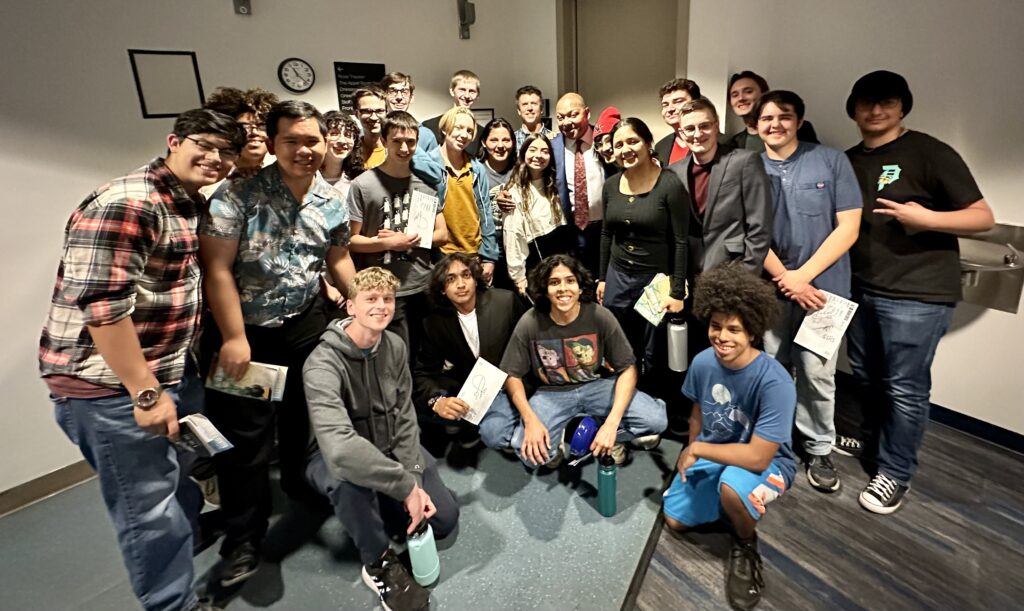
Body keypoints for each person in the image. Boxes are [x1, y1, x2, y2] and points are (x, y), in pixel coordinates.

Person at [39, 108, 245, 611]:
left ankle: (193, 531)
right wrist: (145, 392)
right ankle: (173, 603)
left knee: (177, 475)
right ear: (174, 141)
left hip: (170, 368)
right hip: (111, 388)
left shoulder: (186, 201)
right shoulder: (129, 202)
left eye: (226, 152)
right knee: (147, 510)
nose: (215, 159)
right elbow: (104, 309)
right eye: (205, 145)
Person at [199, 100, 356, 586]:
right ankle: (243, 539)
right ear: (271, 142)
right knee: (245, 442)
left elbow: (339, 258)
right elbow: (217, 270)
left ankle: (299, 486)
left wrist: (362, 302)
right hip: (246, 337)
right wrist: (233, 337)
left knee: (300, 419)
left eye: (312, 140)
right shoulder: (237, 196)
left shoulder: (331, 199)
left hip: (305, 326)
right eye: (292, 140)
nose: (304, 150)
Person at [844, 70, 994, 514]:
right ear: (853, 110)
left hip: (916, 294)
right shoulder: (849, 160)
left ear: (902, 106)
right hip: (861, 288)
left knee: (905, 387)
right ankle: (872, 440)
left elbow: (982, 217)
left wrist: (929, 219)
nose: (875, 111)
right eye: (866, 103)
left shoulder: (929, 152)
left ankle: (895, 471)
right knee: (866, 376)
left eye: (886, 102)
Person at [303, 267, 459, 611]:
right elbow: (340, 449)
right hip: (334, 457)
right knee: (346, 482)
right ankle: (377, 561)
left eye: (387, 299)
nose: (381, 306)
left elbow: (404, 416)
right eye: (370, 299)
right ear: (350, 307)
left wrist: (414, 479)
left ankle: (388, 504)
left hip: (388, 444)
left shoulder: (395, 345)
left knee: (444, 521)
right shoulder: (321, 364)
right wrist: (404, 486)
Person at [662, 264, 796, 611]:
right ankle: (732, 507)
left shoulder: (776, 382)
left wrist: (696, 448)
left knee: (733, 486)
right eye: (716, 326)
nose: (722, 337)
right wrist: (695, 450)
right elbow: (697, 414)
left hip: (770, 463)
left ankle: (745, 543)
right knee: (674, 520)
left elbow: (759, 458)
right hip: (716, 451)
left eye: (734, 329)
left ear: (752, 332)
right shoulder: (704, 362)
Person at [755, 90, 863, 493]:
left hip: (826, 292)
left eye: (784, 116)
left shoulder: (832, 161)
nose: (775, 124)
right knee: (773, 368)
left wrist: (803, 277)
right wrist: (786, 277)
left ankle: (819, 447)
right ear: (755, 125)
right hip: (773, 288)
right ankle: (775, 441)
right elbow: (752, 232)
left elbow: (848, 228)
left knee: (818, 374)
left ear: (799, 121)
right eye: (767, 118)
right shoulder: (751, 168)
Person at [479, 255, 667, 467]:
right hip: (551, 393)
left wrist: (612, 424)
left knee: (656, 420)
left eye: (570, 281)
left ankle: (599, 428)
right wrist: (531, 421)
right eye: (554, 282)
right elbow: (512, 375)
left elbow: (628, 368)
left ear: (580, 287)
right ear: (544, 289)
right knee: (532, 457)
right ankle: (565, 433)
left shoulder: (599, 316)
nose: (563, 288)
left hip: (595, 386)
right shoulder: (530, 321)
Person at [667, 97, 773, 367]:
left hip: (733, 275)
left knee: (734, 355)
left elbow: (759, 228)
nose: (697, 134)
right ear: (681, 132)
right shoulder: (674, 172)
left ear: (716, 127)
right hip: (692, 279)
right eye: (689, 128)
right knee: (698, 354)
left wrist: (745, 280)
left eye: (704, 126)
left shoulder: (744, 161)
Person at [347, 110, 448, 362]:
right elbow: (352, 241)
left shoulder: (424, 185)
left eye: (411, 142)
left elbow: (442, 234)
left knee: (427, 353)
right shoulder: (363, 185)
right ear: (384, 140)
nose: (404, 148)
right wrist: (388, 242)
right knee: (395, 356)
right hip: (386, 287)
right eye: (397, 141)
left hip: (423, 282)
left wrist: (408, 238)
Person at [597, 117, 688, 386]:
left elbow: (681, 241)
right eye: (619, 144)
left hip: (656, 280)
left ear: (648, 143)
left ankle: (654, 404)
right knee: (620, 345)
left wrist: (677, 291)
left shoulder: (669, 185)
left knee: (653, 350)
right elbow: (606, 234)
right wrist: (602, 278)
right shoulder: (611, 185)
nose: (626, 149)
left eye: (633, 141)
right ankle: (626, 400)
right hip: (618, 276)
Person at [413, 253, 525, 442]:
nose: (461, 284)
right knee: (492, 435)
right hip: (475, 385)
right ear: (442, 289)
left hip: (514, 380)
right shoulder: (434, 322)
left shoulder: (505, 302)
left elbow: (530, 346)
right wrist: (437, 401)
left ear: (475, 279)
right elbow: (422, 373)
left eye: (466, 275)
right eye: (451, 279)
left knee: (494, 434)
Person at [412, 106, 499, 283]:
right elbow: (409, 150)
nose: (464, 134)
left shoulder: (476, 168)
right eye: (458, 127)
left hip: (473, 253)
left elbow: (485, 212)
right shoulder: (428, 165)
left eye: (469, 130)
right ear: (444, 128)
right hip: (441, 254)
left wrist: (489, 257)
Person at [552, 93, 610, 276]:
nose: (566, 122)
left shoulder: (607, 141)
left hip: (605, 231)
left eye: (573, 114)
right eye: (560, 118)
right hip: (570, 234)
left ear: (587, 113)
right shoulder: (552, 148)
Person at [502, 133, 569, 294]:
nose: (538, 155)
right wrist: (518, 277)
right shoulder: (514, 192)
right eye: (533, 150)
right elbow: (513, 237)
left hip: (563, 261)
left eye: (545, 151)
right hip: (537, 264)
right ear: (524, 154)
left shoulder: (556, 184)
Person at [201, 86, 279, 193]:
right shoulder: (213, 170)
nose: (254, 132)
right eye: (244, 126)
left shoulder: (282, 166)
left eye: (261, 125)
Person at [727, 71, 818, 152]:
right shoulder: (733, 143)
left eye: (748, 91)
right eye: (735, 95)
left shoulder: (798, 129)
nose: (741, 98)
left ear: (765, 95)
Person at [477, 117, 518, 290]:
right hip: (486, 250)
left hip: (517, 248)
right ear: (484, 143)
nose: (500, 145)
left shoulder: (521, 170)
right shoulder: (476, 171)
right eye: (494, 140)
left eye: (506, 140)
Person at [422, 69, 482, 156]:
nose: (467, 96)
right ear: (452, 91)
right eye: (462, 90)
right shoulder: (430, 126)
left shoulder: (481, 133)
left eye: (472, 91)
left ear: (477, 95)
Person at [380, 71, 439, 153]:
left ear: (411, 98)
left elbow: (433, 165)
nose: (399, 97)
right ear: (384, 96)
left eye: (404, 92)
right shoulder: (373, 132)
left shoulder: (425, 135)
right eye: (393, 91)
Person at [654, 78, 701, 165]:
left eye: (678, 102)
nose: (670, 109)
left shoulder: (716, 141)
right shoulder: (661, 146)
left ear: (696, 103)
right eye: (665, 105)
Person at [320, 110, 363, 198]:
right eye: (334, 134)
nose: (342, 141)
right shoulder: (307, 178)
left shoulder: (359, 179)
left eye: (348, 135)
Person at [353, 86, 389, 169]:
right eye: (366, 111)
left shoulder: (395, 149)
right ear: (356, 114)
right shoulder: (350, 150)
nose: (374, 117)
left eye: (379, 111)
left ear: (386, 113)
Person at [513, 85, 555, 150]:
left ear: (541, 109)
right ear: (519, 111)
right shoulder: (512, 140)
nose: (529, 108)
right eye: (525, 104)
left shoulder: (554, 139)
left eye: (534, 103)